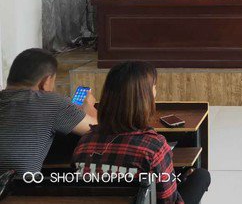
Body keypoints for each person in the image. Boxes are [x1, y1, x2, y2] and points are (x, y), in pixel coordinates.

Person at [73, 61, 210, 204]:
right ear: (145, 98)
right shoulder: (154, 147)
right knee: (201, 176)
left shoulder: (84, 143)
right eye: (154, 87)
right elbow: (168, 201)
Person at [0, 48, 97, 175]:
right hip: (17, 186)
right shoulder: (51, 102)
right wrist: (89, 106)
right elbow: (98, 129)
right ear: (46, 82)